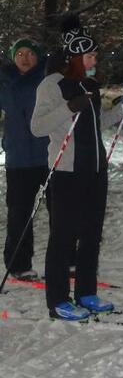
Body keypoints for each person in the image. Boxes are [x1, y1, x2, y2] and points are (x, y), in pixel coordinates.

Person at [30, 24, 120, 320]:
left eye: (95, 55)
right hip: (66, 172)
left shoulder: (90, 86)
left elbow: (96, 124)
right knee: (63, 237)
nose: (95, 61)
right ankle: (57, 299)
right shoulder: (52, 85)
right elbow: (38, 126)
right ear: (76, 57)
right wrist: (69, 106)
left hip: (94, 170)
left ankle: (86, 292)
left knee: (92, 235)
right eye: (91, 56)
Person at [1, 38, 49, 279]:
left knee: (63, 211)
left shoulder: (48, 77)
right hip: (18, 158)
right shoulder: (5, 80)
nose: (25, 58)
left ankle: (68, 260)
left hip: (48, 154)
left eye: (30, 53)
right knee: (19, 213)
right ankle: (18, 264)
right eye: (19, 53)